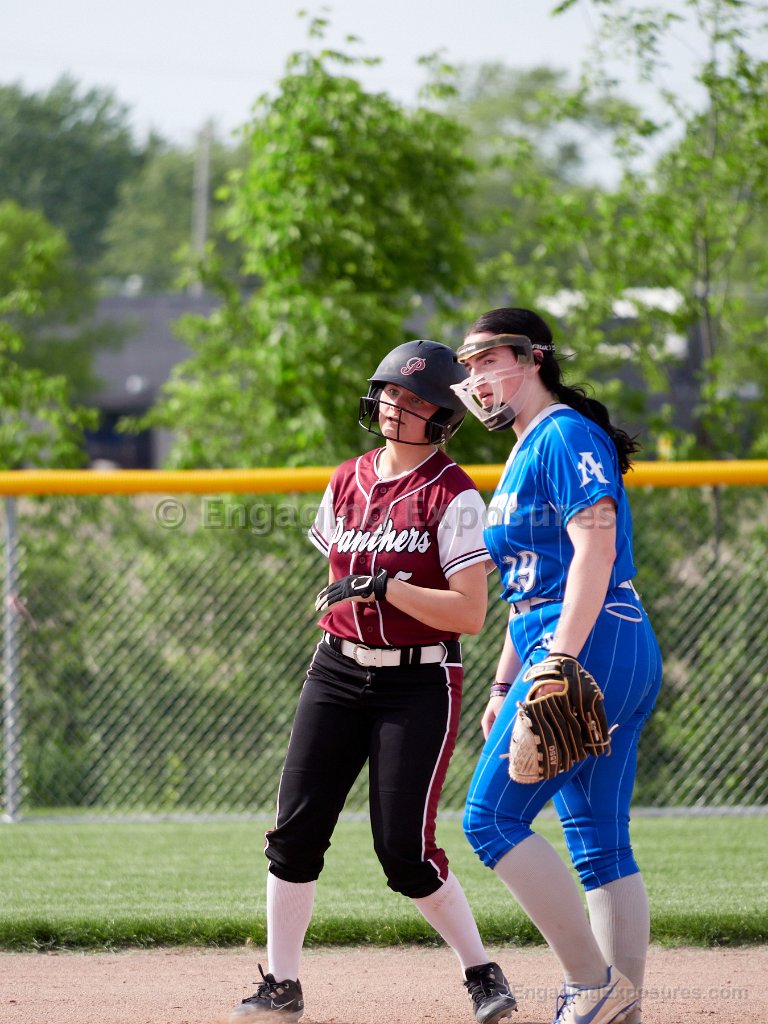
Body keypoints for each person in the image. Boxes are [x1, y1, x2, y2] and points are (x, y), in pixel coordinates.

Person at [230, 340, 518, 1024]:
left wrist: (386, 587)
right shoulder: (346, 478)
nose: (395, 405)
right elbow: (337, 574)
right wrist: (355, 598)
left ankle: (482, 972)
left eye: (414, 399)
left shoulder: (454, 494)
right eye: (390, 392)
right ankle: (282, 985)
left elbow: (470, 614)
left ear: (442, 415)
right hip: (336, 669)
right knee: (294, 834)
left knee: (404, 853)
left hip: (417, 682)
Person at [451, 308, 662, 1024]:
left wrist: (558, 662)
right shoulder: (525, 448)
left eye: (489, 359)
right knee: (599, 842)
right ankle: (619, 1008)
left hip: (590, 642)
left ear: (533, 357)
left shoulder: (564, 433)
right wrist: (504, 681)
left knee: (490, 821)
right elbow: (529, 587)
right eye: (469, 366)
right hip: (588, 642)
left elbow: (595, 548)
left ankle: (590, 984)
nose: (477, 377)